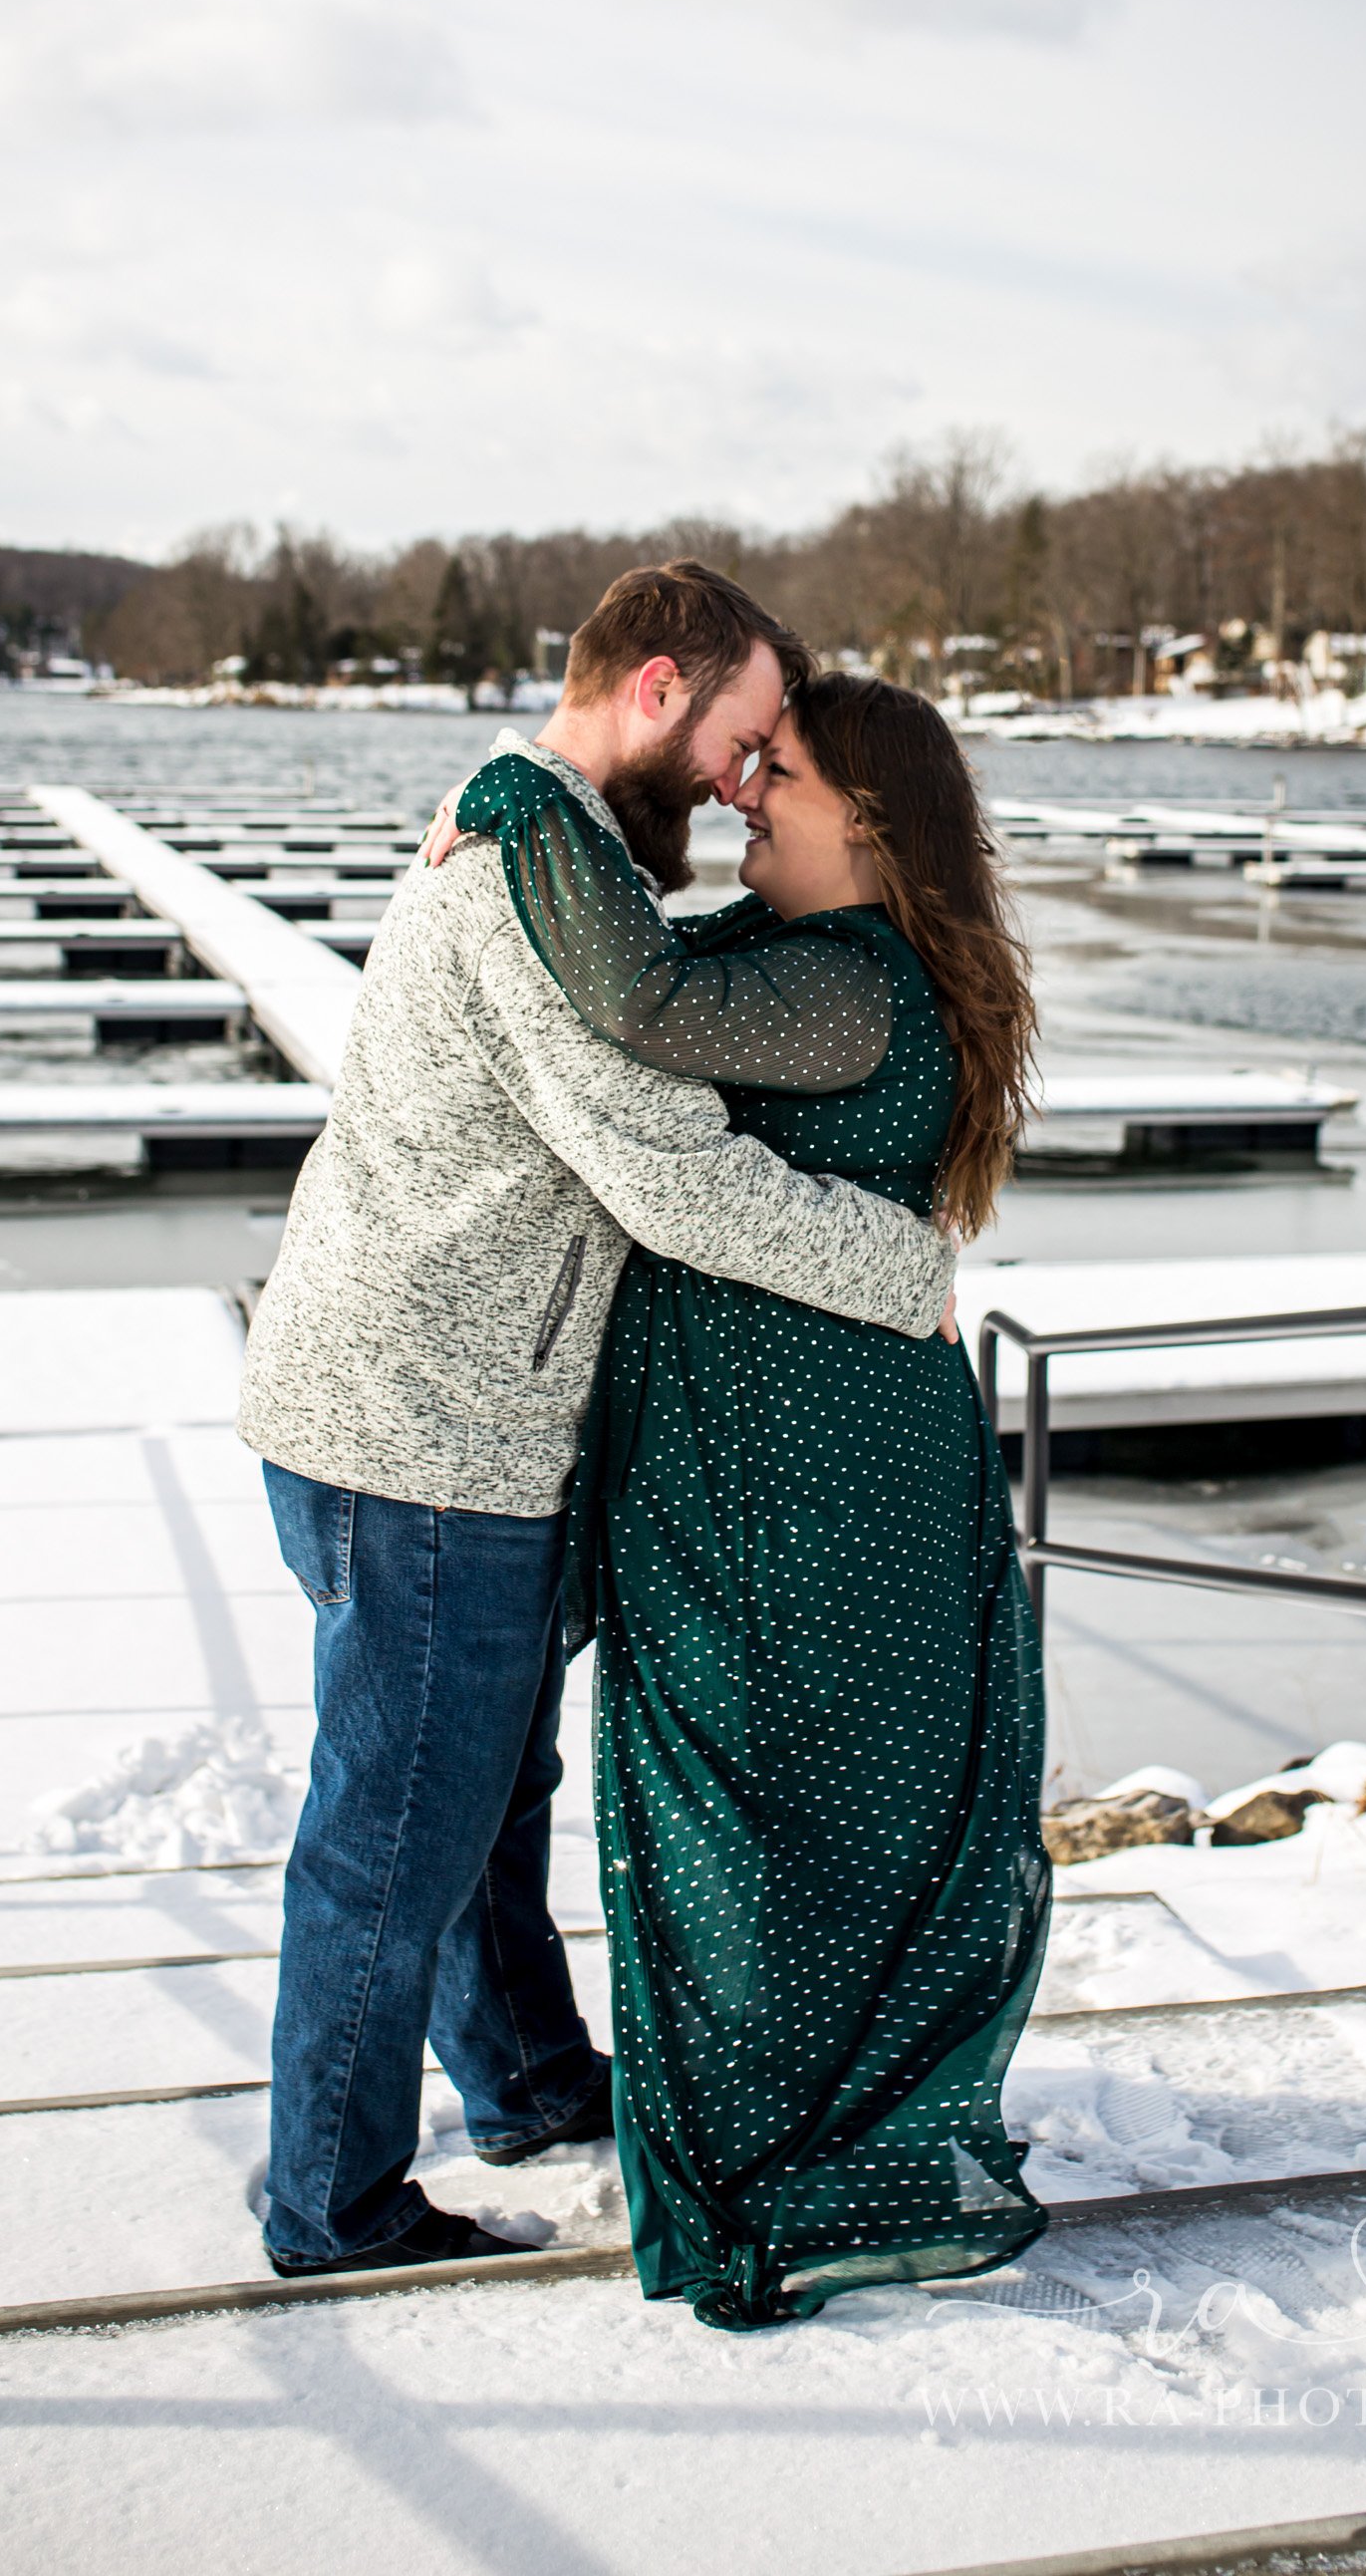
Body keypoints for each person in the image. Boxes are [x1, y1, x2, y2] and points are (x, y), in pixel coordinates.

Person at [236, 568, 957, 2279]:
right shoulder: (523, 893)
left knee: (480, 1796)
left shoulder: (555, 860)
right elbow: (670, 1175)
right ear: (655, 689)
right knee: (394, 1838)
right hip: (422, 1441)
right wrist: (901, 1259)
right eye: (741, 734)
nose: (744, 775)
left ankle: (533, 2080)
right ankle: (328, 2206)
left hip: (423, 1417)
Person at [450, 672, 1050, 2332]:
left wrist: (519, 793)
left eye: (770, 774)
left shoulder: (848, 985)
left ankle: (763, 2159)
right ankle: (758, 2130)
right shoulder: (811, 968)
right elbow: (623, 990)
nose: (740, 798)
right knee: (770, 1815)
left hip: (814, 1486)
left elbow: (631, 1000)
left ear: (868, 818)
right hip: (782, 1466)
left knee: (765, 1815)